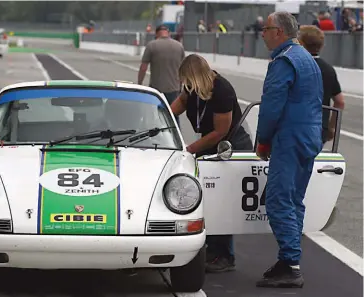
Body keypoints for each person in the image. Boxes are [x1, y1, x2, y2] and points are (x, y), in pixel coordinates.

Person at [255, 11, 323, 288]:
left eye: (266, 28)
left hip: (290, 137)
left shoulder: (283, 61)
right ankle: (288, 260)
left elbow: (272, 106)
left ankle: (291, 265)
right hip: (310, 135)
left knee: (278, 200)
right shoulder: (307, 58)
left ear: (279, 32)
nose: (263, 33)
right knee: (294, 200)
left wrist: (263, 140)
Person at [169, 54, 253, 273]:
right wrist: (155, 116)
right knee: (207, 197)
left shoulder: (222, 90)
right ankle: (212, 248)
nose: (183, 85)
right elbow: (174, 108)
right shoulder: (191, 88)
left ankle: (225, 255)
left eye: (186, 80)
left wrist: (189, 149)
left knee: (221, 200)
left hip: (229, 146)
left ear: (195, 77)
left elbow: (220, 131)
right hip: (210, 142)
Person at [297, 25, 345, 144]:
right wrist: (331, 127)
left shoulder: (293, 66)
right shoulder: (328, 69)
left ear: (300, 43)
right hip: (318, 131)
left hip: (294, 129)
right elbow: (340, 102)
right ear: (322, 45)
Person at [138, 24, 185, 125]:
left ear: (156, 34)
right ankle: (175, 139)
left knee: (154, 118)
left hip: (156, 90)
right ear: (168, 33)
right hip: (174, 89)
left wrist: (139, 84)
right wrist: (181, 86)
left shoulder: (152, 45)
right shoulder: (179, 46)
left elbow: (143, 67)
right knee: (173, 117)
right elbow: (183, 70)